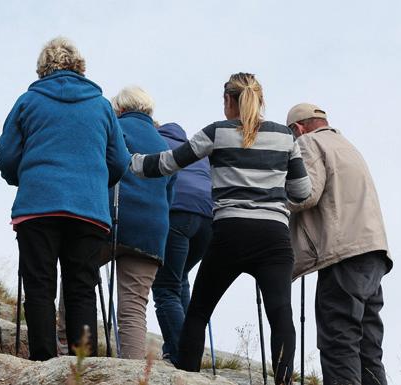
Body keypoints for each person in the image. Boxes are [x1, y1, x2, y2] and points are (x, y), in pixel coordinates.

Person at [130, 73, 311, 385]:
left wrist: (129, 161)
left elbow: (166, 163)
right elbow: (302, 192)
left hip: (229, 234)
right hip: (273, 238)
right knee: (281, 314)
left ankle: (188, 378)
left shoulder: (217, 132)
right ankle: (283, 381)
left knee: (199, 311)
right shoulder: (285, 137)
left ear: (229, 101)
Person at [0, 37, 130, 360]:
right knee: (82, 289)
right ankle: (82, 368)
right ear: (80, 66)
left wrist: (22, 178)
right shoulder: (101, 107)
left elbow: (7, 155)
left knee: (39, 286)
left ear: (43, 68)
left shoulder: (28, 101)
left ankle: (43, 362)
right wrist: (94, 182)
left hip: (37, 206)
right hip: (88, 210)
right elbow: (120, 161)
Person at [286, 103, 392, 385]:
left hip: (343, 253)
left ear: (298, 128)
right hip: (373, 252)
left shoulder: (310, 143)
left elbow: (305, 194)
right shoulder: (348, 146)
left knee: (338, 338)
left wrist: (270, 201)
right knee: (368, 346)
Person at [108, 86, 176, 359]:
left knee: (79, 285)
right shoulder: (164, 145)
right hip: (151, 232)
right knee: (134, 308)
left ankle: (74, 359)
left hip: (111, 222)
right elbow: (170, 194)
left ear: (120, 110)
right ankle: (134, 375)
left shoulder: (115, 131)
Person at [150, 120, 213, 364]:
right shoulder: (195, 150)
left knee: (165, 286)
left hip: (177, 213)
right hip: (208, 220)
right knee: (180, 280)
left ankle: (181, 356)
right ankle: (191, 353)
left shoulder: (156, 143)